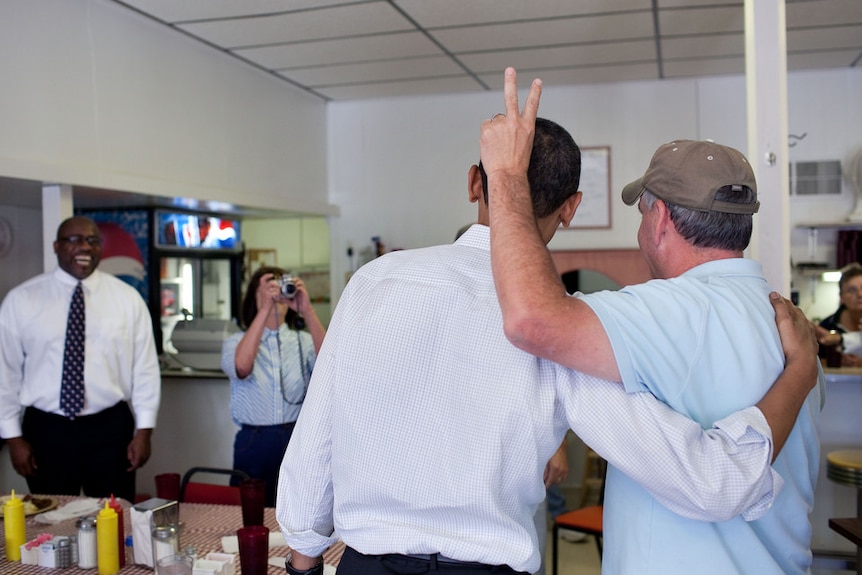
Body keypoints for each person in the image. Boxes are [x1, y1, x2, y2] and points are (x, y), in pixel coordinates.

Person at [276, 116, 819, 575]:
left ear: (473, 183)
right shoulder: (563, 332)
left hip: (367, 563)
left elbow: (315, 440)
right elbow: (709, 483)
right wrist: (797, 375)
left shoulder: (376, 281)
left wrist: (302, 559)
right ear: (572, 207)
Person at [481, 68, 823, 574]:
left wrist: (507, 175)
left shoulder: (664, 311)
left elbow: (531, 320)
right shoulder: (786, 322)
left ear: (660, 217)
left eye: (641, 215)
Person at [0, 216, 161, 501]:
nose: (84, 247)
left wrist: (144, 430)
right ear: (56, 246)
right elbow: (5, 372)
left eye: (92, 240)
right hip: (46, 430)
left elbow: (145, 368)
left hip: (110, 429)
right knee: (51, 522)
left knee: (114, 517)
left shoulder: (127, 299)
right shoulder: (22, 300)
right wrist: (12, 437)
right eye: (74, 240)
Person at [221, 266, 325, 507]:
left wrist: (307, 310)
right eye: (269, 285)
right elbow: (242, 368)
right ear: (254, 295)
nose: (277, 291)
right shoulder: (235, 341)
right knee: (251, 512)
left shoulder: (303, 340)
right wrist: (265, 308)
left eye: (281, 285)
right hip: (253, 440)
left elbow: (332, 366)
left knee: (299, 510)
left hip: (295, 436)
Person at [818, 262, 862, 365]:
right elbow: (813, 362)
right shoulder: (826, 326)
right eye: (851, 290)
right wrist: (836, 362)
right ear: (841, 297)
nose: (860, 294)